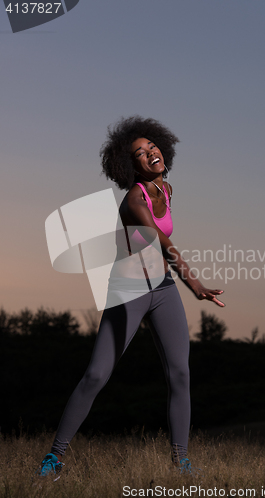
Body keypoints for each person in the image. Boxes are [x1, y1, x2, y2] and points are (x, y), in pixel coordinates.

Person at [38, 116, 224, 477]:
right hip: (129, 290)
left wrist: (178, 282)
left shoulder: (167, 190)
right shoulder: (134, 199)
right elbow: (160, 240)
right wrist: (195, 284)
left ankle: (181, 463)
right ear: (129, 165)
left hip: (163, 289)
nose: (149, 153)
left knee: (181, 374)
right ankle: (53, 459)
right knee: (96, 375)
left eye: (151, 146)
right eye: (139, 153)